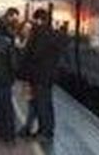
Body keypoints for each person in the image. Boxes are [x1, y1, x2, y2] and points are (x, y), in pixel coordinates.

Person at [18, 7, 64, 139]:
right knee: (46, 103)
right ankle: (45, 130)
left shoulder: (38, 34)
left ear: (38, 20)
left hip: (38, 76)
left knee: (41, 104)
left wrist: (22, 74)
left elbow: (31, 56)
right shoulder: (53, 33)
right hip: (49, 75)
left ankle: (45, 132)